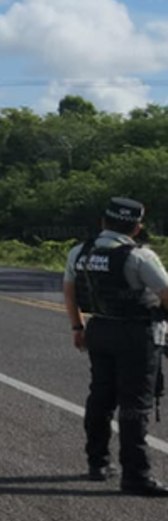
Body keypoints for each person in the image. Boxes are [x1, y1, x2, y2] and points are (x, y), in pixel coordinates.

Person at [64, 197, 168, 496]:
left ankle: (97, 463)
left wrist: (76, 327)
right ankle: (136, 475)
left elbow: (70, 294)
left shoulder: (79, 252)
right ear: (136, 228)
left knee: (101, 396)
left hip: (99, 330)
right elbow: (166, 294)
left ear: (103, 222)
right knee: (135, 405)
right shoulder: (140, 256)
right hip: (136, 334)